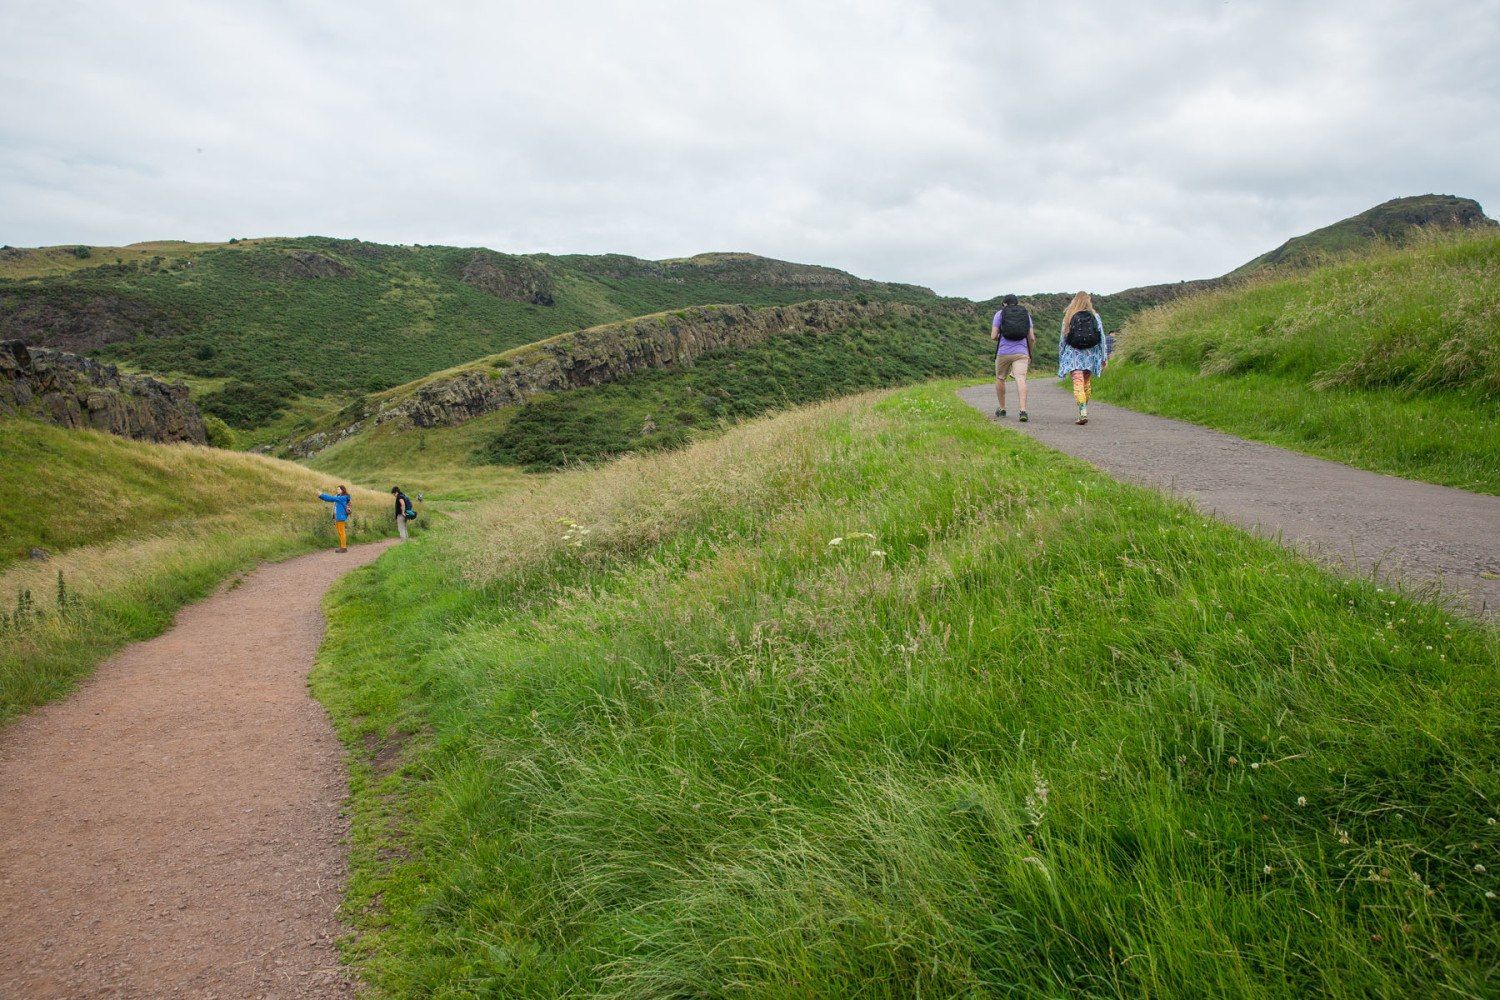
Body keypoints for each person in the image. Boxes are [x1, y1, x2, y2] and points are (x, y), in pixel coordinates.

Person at [1057, 291, 1107, 425]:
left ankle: (1083, 412)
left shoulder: (1068, 316)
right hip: (1091, 356)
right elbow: (1102, 338)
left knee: (1077, 383)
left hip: (1073, 355)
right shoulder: (1095, 317)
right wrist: (1104, 357)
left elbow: (1063, 339)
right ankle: (1083, 409)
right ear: (1088, 302)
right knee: (1086, 383)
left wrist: (1061, 356)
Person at [990, 294, 1034, 421]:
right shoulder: (1026, 314)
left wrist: (1003, 337)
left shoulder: (1000, 314)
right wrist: (1029, 353)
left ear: (1004, 303)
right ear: (1017, 303)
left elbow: (993, 336)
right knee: (1020, 379)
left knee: (1000, 378)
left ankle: (1002, 408)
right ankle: (1023, 411)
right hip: (1021, 352)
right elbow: (1031, 338)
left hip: (1003, 352)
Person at [318, 486, 353, 552]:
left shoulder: (342, 498)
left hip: (340, 517)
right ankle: (342, 547)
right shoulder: (339, 496)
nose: (337, 490)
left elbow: (332, 498)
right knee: (340, 532)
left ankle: (343, 547)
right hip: (337, 517)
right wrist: (322, 496)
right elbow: (332, 498)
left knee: (341, 532)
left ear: (342, 490)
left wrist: (321, 495)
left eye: (339, 489)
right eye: (337, 489)